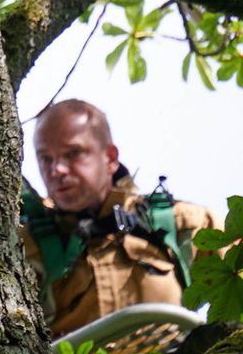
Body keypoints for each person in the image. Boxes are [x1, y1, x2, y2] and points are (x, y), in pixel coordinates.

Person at [20, 99, 223, 337]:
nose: (57, 170)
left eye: (73, 153)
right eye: (46, 159)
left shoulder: (179, 224)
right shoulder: (27, 248)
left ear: (110, 157)